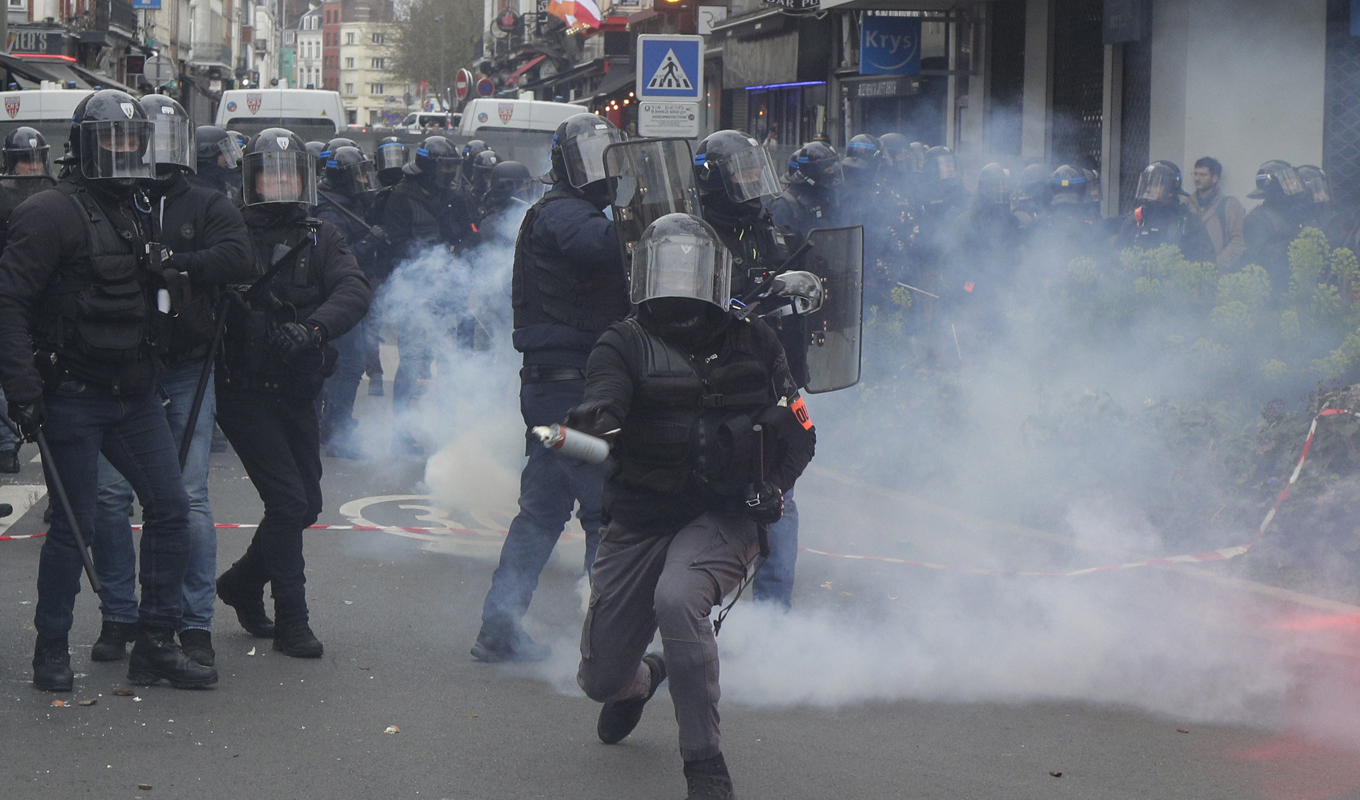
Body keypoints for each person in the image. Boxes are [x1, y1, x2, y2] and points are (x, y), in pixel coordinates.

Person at [570, 213, 815, 800]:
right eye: (667, 267)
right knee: (600, 679)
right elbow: (603, 396)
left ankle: (704, 763)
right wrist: (595, 422)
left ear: (714, 275)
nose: (679, 281)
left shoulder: (754, 339)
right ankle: (644, 678)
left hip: (723, 513)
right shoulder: (622, 341)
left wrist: (775, 487)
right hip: (642, 513)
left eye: (691, 267)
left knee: (678, 599)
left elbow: (800, 431)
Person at [0, 89, 216, 691]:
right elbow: (10, 301)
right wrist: (22, 388)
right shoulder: (49, 213)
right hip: (69, 393)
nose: (124, 153)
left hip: (134, 393)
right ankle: (50, 648)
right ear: (86, 149)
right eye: (112, 141)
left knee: (172, 509)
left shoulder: (139, 209)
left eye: (132, 141)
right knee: (75, 528)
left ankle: (154, 642)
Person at [86, 94, 253, 668]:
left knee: (188, 497)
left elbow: (239, 257)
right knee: (109, 498)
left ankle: (192, 620)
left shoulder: (204, 201)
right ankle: (120, 614)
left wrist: (179, 262)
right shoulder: (107, 200)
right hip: (121, 369)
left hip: (184, 364)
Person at [472, 112, 627, 663]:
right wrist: (655, 215)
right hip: (571, 396)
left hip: (558, 393)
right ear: (566, 167)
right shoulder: (563, 214)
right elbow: (601, 246)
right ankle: (607, 645)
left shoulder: (571, 212)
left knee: (542, 512)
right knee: (604, 509)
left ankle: (499, 626)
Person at [214, 128, 371, 658]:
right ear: (251, 178)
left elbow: (354, 289)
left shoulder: (322, 234)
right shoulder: (229, 230)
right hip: (244, 389)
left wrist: (315, 328)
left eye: (289, 172)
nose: (280, 181)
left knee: (307, 504)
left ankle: (239, 583)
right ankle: (293, 621)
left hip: (298, 387)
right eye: (269, 172)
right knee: (286, 501)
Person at [694, 129, 806, 609]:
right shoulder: (695, 232)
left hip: (768, 378)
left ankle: (773, 621)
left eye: (752, 168)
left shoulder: (767, 226)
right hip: (713, 382)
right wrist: (756, 293)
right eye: (738, 171)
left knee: (780, 490)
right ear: (714, 179)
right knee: (704, 490)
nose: (750, 179)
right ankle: (692, 604)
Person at [376, 134, 475, 454]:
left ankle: (449, 425)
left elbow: (466, 235)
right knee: (412, 359)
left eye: (452, 168)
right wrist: (432, 255)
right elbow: (397, 243)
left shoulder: (452, 197)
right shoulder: (400, 198)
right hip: (414, 288)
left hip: (446, 285)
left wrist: (459, 247)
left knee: (450, 355)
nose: (449, 174)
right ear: (429, 167)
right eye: (444, 168)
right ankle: (400, 433)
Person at [314, 145, 381, 457]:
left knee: (340, 365)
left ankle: (329, 425)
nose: (363, 179)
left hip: (350, 295)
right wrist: (370, 240)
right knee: (350, 365)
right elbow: (343, 257)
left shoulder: (346, 203)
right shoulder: (330, 212)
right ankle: (337, 430)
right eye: (357, 174)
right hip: (339, 296)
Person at [0, 126, 55, 471]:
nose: (32, 168)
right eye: (25, 162)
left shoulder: (55, 196)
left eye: (36, 160)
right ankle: (6, 446)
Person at [1116, 160, 1214, 263]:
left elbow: (1207, 261)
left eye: (1154, 184)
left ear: (1171, 190)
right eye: (1147, 184)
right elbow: (1116, 258)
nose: (1148, 189)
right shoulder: (1136, 219)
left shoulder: (1188, 222)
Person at [1243, 159, 1308, 296]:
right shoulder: (1257, 218)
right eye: (1288, 181)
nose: (1293, 185)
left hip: (1294, 287)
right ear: (1275, 187)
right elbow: (1261, 257)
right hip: (1272, 290)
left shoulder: (1293, 214)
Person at [768, 141, 842, 240]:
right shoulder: (784, 205)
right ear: (813, 172)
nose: (833, 174)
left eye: (834, 170)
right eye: (829, 170)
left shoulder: (826, 198)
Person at [1188, 156, 1246, 273]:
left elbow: (1239, 239)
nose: (1197, 179)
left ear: (1215, 178)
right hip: (1190, 275)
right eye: (1195, 174)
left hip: (1219, 276)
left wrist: (1218, 263)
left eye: (1203, 175)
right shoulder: (1186, 204)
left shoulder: (1229, 205)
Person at [189, 126, 243, 201]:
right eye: (224, 153)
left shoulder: (219, 184)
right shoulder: (196, 191)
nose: (228, 159)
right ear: (208, 155)